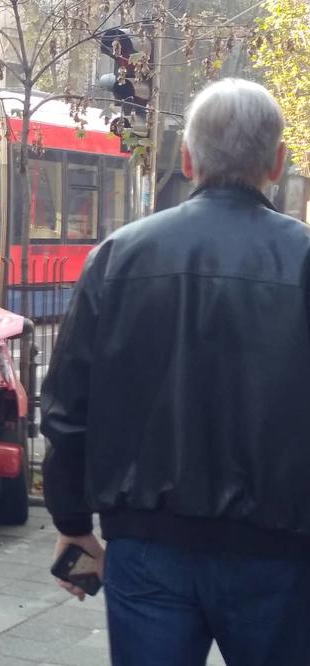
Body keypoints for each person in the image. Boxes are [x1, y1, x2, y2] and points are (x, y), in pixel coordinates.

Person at [41, 79, 310, 666]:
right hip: (281, 552)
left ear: (187, 160)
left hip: (146, 546)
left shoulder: (117, 256)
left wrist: (72, 522)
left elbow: (66, 406)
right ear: (278, 163)